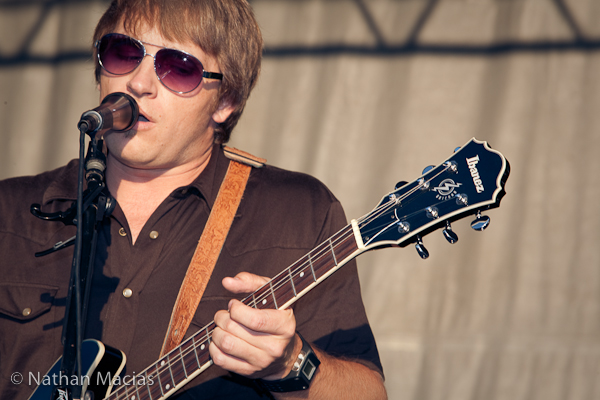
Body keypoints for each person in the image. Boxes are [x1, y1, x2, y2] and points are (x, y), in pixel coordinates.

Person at [0, 0, 386, 399]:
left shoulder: (298, 212)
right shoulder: (9, 212)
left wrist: (291, 363)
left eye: (178, 67)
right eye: (123, 53)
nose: (139, 83)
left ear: (225, 101)